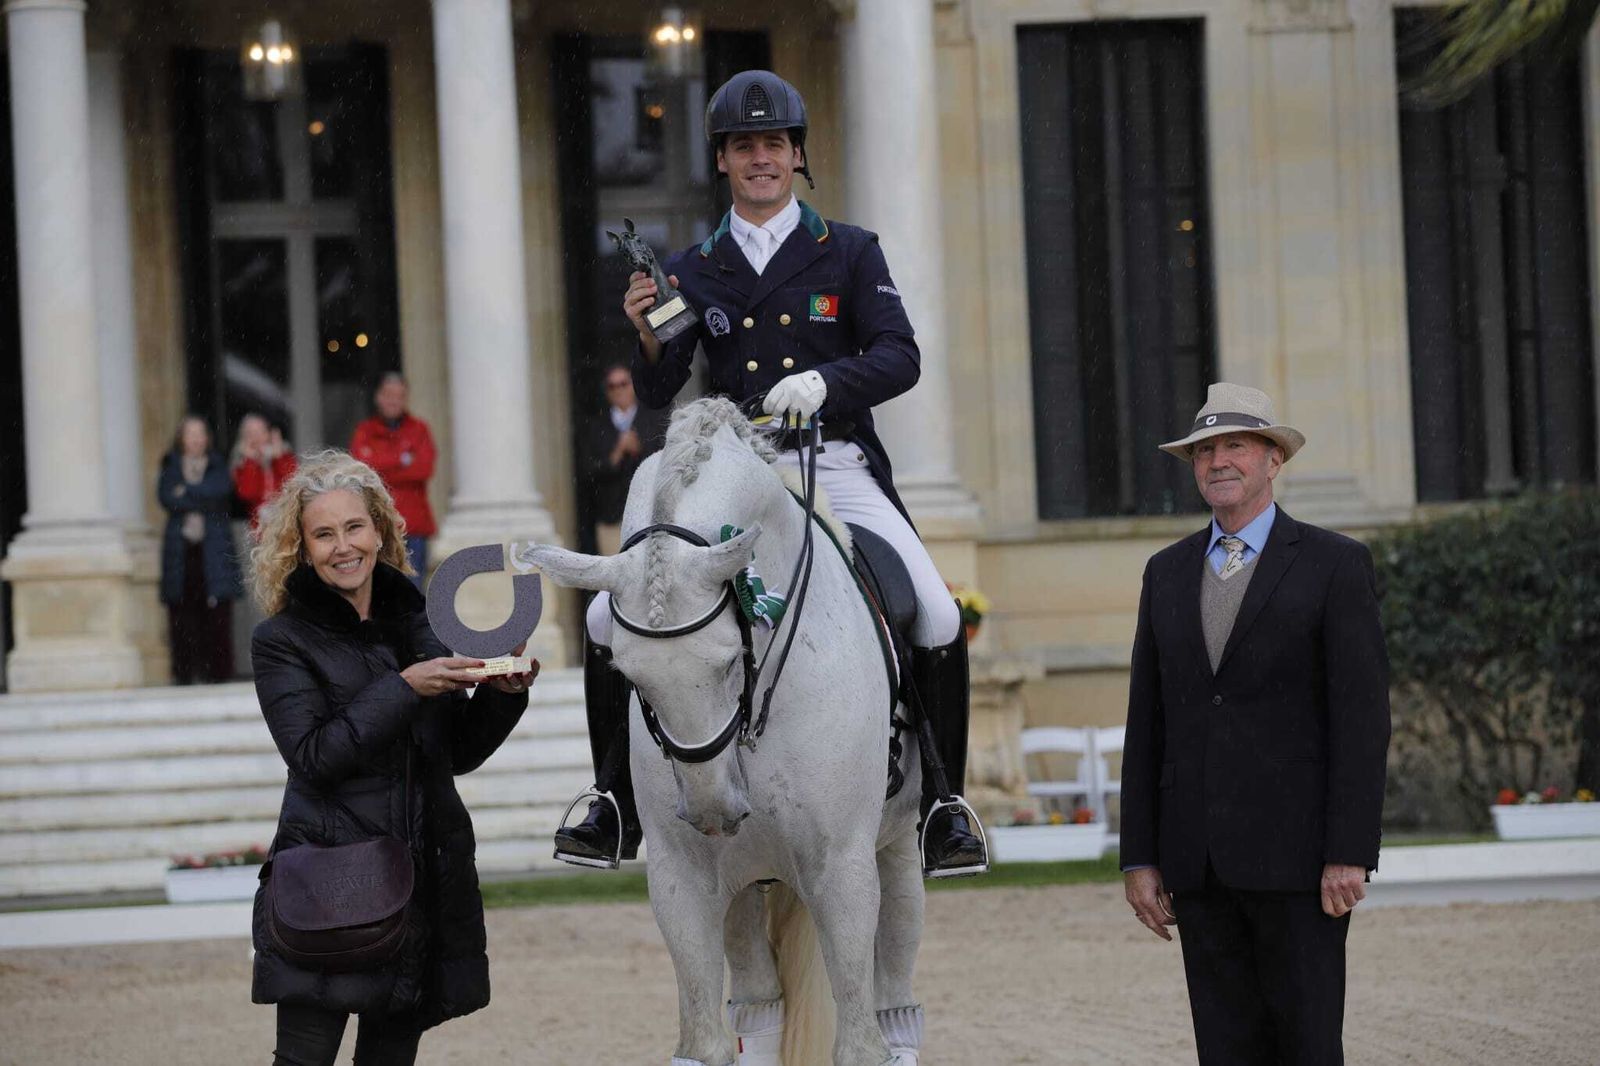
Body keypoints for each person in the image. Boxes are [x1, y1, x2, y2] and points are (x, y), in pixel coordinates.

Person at [553, 69, 988, 879]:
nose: (761, 159)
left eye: (775, 145)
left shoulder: (849, 250)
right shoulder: (694, 264)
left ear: (796, 157)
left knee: (933, 609)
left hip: (836, 459)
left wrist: (827, 383)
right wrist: (647, 334)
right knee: (608, 624)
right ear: (723, 160)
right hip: (739, 468)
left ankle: (943, 806)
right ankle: (613, 802)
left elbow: (901, 356)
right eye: (744, 146)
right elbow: (658, 388)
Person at [1120, 383, 1391, 1065]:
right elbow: (1147, 721)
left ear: (1273, 458)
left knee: (1305, 1045)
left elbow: (1361, 718)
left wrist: (1349, 849)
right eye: (1205, 450)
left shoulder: (1335, 565)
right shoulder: (1166, 572)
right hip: (1199, 865)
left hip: (1301, 862)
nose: (1218, 461)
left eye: (1235, 445)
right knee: (1226, 1048)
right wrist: (1140, 855)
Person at [247, 450, 536, 1065]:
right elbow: (313, 755)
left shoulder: (420, 625)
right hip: (330, 881)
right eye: (323, 534)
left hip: (419, 882)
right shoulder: (281, 641)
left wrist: (503, 697)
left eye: (354, 527)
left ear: (379, 530)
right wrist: (404, 686)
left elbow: (453, 752)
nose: (342, 546)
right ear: (301, 547)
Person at [157, 415, 242, 684]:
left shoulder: (218, 466)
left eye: (199, 433)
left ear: (207, 438)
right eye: (189, 434)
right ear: (181, 439)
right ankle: (183, 674)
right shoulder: (170, 467)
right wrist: (201, 496)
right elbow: (167, 497)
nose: (195, 439)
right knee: (182, 614)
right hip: (182, 551)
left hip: (213, 549)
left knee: (216, 615)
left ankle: (217, 674)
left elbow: (220, 491)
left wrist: (187, 493)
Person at [350, 372, 438, 587]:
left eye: (399, 395)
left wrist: (381, 466)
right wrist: (402, 459)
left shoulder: (419, 429)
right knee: (379, 591)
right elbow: (361, 472)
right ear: (378, 397)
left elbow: (423, 469)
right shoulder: (365, 431)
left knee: (412, 590)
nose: (393, 400)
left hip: (414, 525)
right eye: (389, 394)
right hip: (378, 524)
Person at [586, 364, 665, 556]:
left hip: (650, 515)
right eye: (612, 386)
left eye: (623, 383)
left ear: (633, 386)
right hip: (612, 518)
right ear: (607, 392)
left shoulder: (655, 420)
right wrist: (618, 453)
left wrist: (640, 449)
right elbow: (589, 470)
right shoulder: (596, 427)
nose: (619, 389)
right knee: (616, 580)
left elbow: (665, 463)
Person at [232, 412, 297, 532]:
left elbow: (292, 483)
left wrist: (279, 458)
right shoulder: (242, 463)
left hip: (286, 519)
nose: (256, 437)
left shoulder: (284, 454)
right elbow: (248, 494)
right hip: (258, 526)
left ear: (268, 434)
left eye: (260, 432)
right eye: (250, 433)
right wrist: (251, 462)